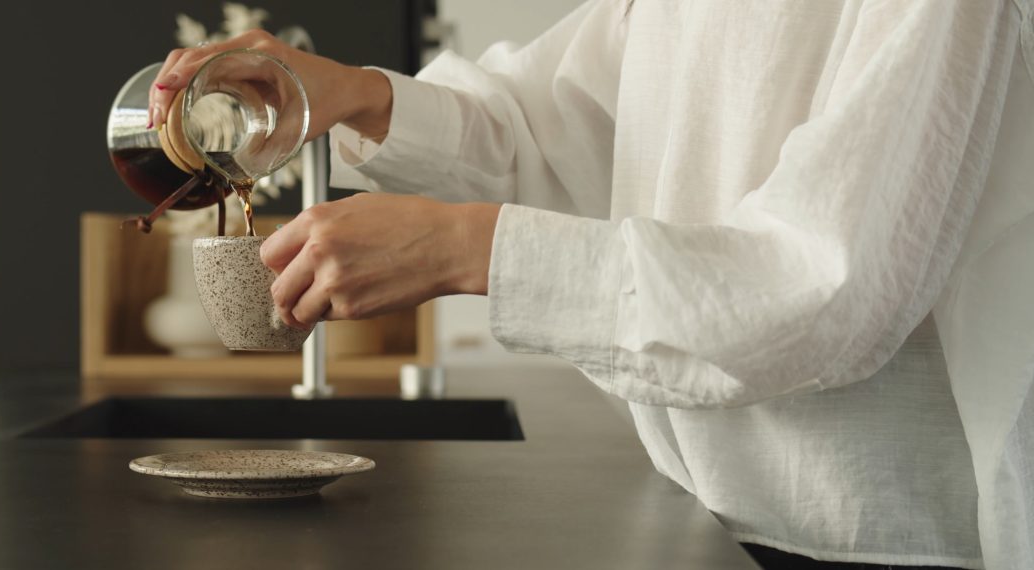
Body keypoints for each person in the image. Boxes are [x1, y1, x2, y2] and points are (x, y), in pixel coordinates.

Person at [149, 1, 1034, 568]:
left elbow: (822, 294)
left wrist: (470, 251)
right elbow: (539, 125)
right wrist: (354, 96)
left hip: (881, 547)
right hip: (705, 516)